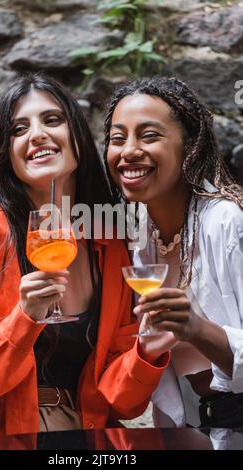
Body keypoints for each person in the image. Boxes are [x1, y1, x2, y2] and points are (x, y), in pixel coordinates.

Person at [0, 73, 169, 445]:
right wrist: (24, 319)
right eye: (18, 128)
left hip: (83, 434)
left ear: (76, 133)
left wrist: (149, 349)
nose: (36, 135)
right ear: (7, 151)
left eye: (52, 119)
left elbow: (122, 403)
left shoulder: (110, 243)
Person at [104, 76, 243, 428]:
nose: (128, 150)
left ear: (190, 145)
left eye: (149, 135)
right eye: (117, 138)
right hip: (185, 431)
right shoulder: (137, 235)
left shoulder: (226, 223)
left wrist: (196, 328)